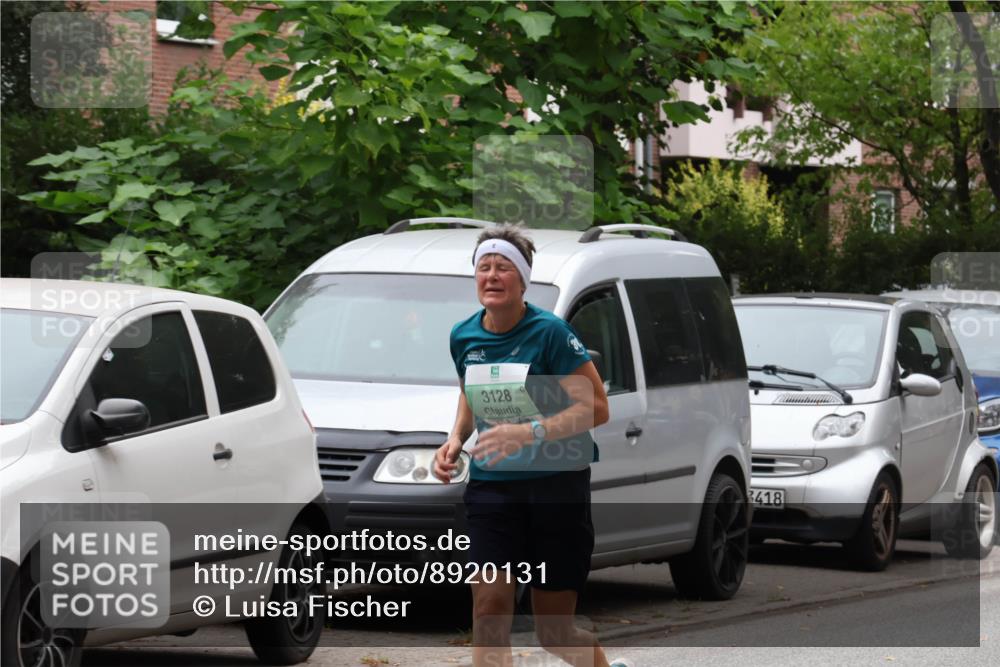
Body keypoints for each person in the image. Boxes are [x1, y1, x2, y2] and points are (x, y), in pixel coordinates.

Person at [433, 225, 631, 667]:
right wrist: (455, 438)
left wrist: (529, 433)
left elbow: (597, 407)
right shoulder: (464, 336)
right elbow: (469, 392)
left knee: (554, 634)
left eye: (503, 267)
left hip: (556, 488)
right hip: (493, 488)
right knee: (488, 610)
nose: (491, 275)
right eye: (484, 267)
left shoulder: (551, 334)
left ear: (522, 280)